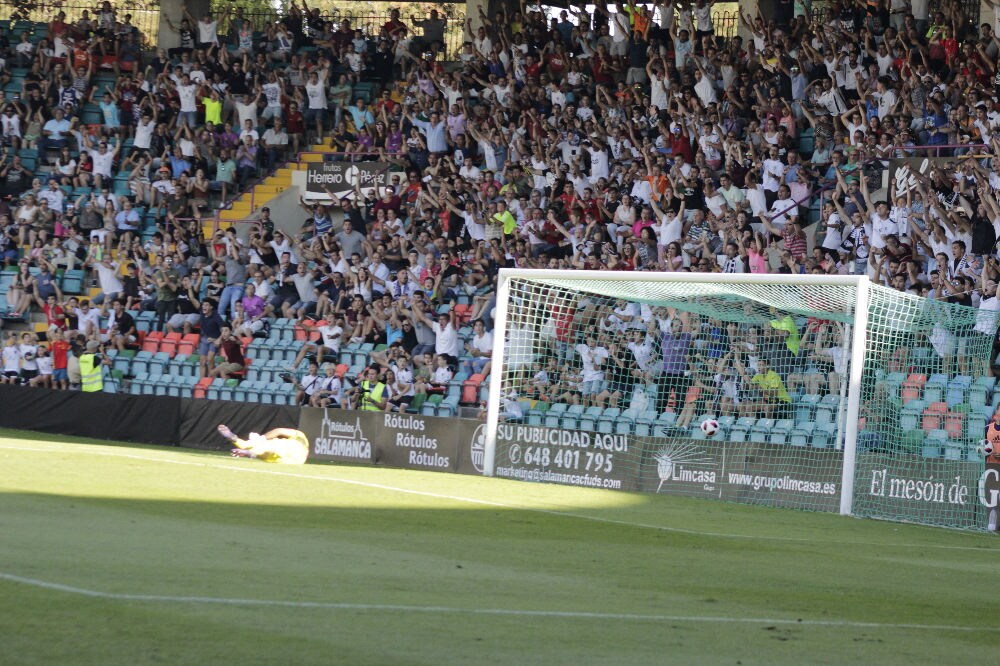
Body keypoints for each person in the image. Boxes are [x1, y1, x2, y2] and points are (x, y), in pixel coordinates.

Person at [217, 424, 310, 465]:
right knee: (264, 451)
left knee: (267, 448)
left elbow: (279, 431)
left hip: (287, 453)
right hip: (293, 460)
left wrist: (262, 438)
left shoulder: (298, 438)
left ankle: (237, 441)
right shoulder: (300, 441)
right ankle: (245, 448)